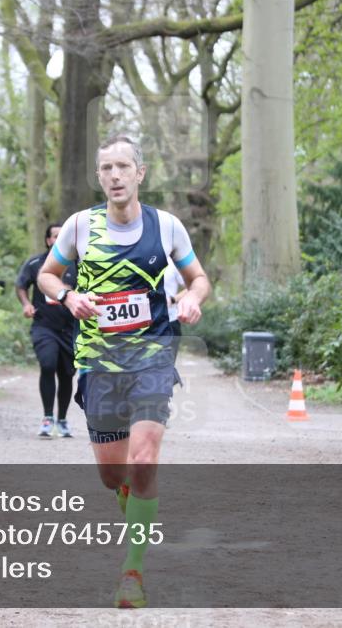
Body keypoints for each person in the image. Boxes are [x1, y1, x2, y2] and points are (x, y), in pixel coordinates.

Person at [37, 134, 211, 609]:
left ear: (140, 173)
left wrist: (191, 299)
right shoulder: (79, 226)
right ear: (99, 177)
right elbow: (47, 276)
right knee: (114, 477)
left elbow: (198, 278)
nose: (114, 176)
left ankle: (132, 572)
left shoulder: (167, 227)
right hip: (98, 361)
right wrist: (69, 296)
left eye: (122, 167)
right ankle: (133, 503)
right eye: (106, 168)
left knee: (145, 456)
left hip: (153, 354)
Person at [15, 223, 78, 438]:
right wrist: (26, 304)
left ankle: (62, 420)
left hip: (70, 329)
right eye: (55, 236)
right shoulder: (35, 263)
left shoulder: (77, 265)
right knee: (48, 364)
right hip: (44, 326)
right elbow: (21, 285)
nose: (59, 239)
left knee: (67, 374)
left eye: (63, 236)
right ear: (48, 240)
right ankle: (47, 417)